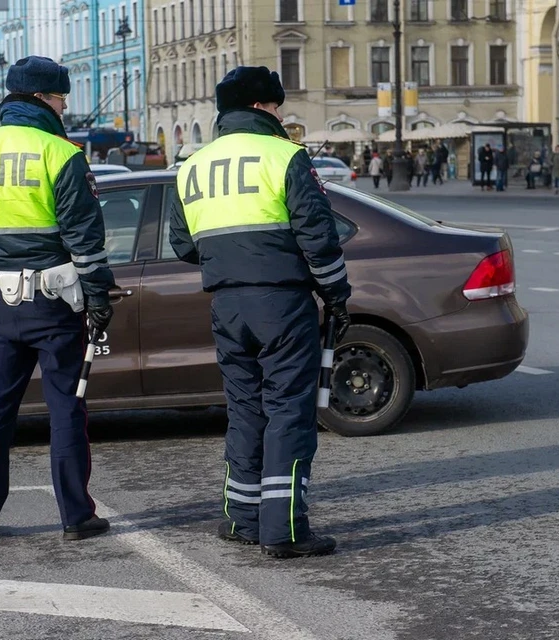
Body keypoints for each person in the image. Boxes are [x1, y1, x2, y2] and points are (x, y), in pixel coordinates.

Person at [168, 66, 351, 559]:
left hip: (227, 304)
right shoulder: (285, 156)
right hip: (281, 301)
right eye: (278, 105)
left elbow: (183, 244)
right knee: (289, 410)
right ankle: (285, 529)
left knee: (245, 409)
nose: (282, 113)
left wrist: (230, 260)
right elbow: (318, 235)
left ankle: (241, 518)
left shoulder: (192, 164)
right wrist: (336, 293)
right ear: (262, 106)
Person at [0, 55, 116, 542]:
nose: (65, 105)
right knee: (66, 404)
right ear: (43, 98)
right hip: (55, 299)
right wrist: (99, 297)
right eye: (62, 96)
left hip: (1, 297)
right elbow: (85, 237)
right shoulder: (61, 154)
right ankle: (75, 516)